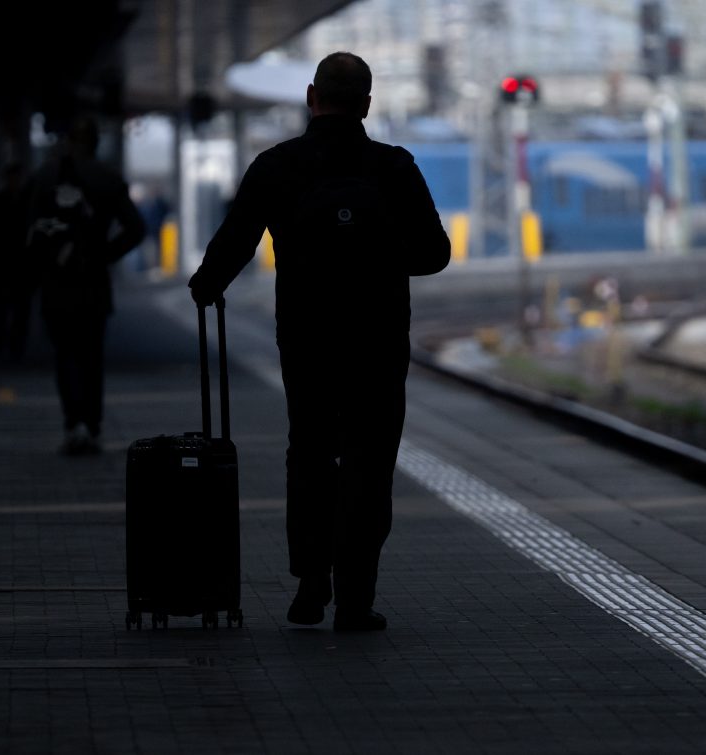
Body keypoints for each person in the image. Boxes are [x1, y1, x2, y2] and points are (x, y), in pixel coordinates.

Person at [188, 52, 451, 631]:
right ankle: (355, 600)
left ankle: (310, 584)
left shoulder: (278, 165)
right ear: (367, 104)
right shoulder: (393, 167)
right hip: (378, 339)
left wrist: (206, 286)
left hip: (305, 336)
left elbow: (235, 241)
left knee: (308, 450)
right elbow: (435, 254)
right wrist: (380, 260)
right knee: (368, 460)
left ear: (312, 97)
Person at [26, 115, 146, 455]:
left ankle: (72, 424)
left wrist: (43, 264)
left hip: (55, 283)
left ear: (68, 141)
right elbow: (135, 228)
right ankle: (92, 426)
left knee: (64, 354)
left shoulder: (44, 176)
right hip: (92, 282)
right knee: (91, 356)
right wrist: (104, 255)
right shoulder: (107, 178)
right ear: (95, 143)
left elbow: (29, 229)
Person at [0, 161, 34, 362]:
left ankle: (16, 347)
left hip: (22, 264)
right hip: (3, 262)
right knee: (0, 308)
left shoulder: (28, 203)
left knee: (21, 309)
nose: (15, 182)